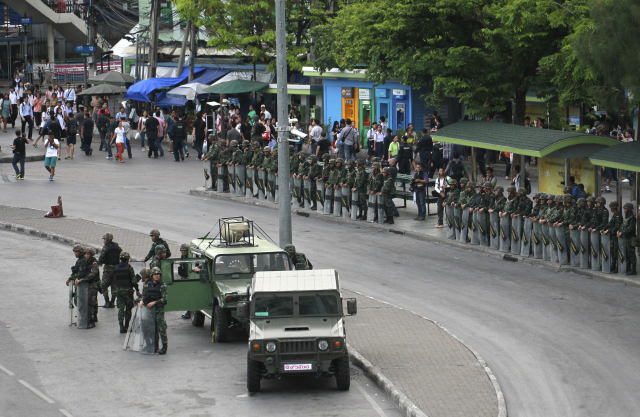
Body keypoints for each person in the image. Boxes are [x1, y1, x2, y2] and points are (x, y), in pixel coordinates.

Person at [140, 267, 168, 354]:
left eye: (158, 274)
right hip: (150, 310)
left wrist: (154, 302)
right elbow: (144, 295)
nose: (156, 276)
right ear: (152, 276)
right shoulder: (148, 285)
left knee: (161, 328)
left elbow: (164, 299)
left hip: (159, 310)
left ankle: (164, 347)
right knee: (152, 328)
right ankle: (155, 346)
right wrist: (142, 301)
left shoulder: (162, 286)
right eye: (155, 275)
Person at [75, 247, 100, 328]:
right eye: (85, 254)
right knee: (85, 301)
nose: (86, 255)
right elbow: (81, 271)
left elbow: (92, 275)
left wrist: (82, 280)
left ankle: (91, 321)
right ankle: (88, 318)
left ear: (91, 255)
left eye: (88, 254)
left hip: (93, 284)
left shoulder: (94, 263)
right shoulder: (85, 262)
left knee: (91, 302)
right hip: (85, 284)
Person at [114, 252, 136, 333]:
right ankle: (127, 326)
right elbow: (133, 281)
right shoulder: (129, 268)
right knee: (128, 309)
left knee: (120, 309)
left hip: (119, 291)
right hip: (128, 291)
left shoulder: (116, 268)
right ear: (127, 259)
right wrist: (137, 289)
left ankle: (121, 326)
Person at [98, 232, 122, 308]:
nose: (104, 240)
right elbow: (122, 254)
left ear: (107, 239)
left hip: (108, 268)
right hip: (116, 268)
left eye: (104, 239)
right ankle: (112, 302)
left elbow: (102, 256)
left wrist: (100, 262)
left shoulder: (106, 247)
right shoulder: (117, 246)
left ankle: (107, 302)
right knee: (114, 286)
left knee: (104, 285)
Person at [617, 203, 637, 275]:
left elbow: (630, 228)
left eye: (625, 208)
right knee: (627, 254)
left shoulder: (632, 218)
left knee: (631, 254)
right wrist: (619, 231)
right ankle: (628, 267)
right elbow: (623, 226)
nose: (624, 210)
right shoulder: (627, 217)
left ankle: (633, 269)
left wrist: (622, 232)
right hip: (626, 238)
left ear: (628, 209)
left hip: (630, 238)